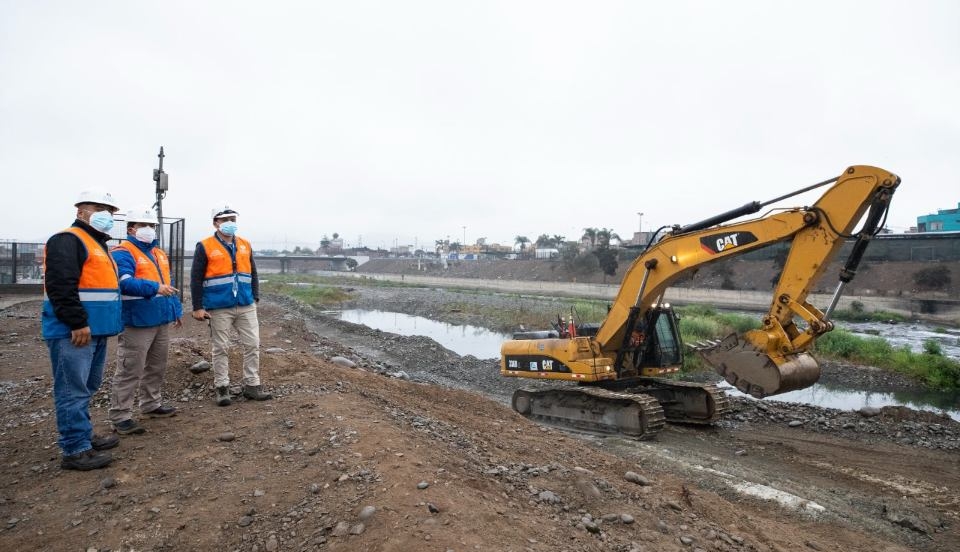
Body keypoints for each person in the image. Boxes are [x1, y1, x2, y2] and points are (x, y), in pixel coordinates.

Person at [42, 189, 124, 470]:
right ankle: (75, 449)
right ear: (80, 212)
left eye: (110, 210)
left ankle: (84, 436)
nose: (106, 215)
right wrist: (76, 321)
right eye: (99, 208)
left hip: (95, 330)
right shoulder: (68, 239)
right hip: (75, 331)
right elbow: (60, 284)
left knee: (86, 386)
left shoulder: (97, 243)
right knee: (72, 389)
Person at [108, 207, 183, 435]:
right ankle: (120, 415)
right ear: (131, 228)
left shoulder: (158, 253)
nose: (149, 229)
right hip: (137, 320)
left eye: (152, 225)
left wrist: (175, 310)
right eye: (144, 225)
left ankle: (151, 404)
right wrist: (155, 288)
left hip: (160, 318)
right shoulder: (123, 252)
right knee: (130, 368)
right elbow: (124, 282)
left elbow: (168, 283)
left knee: (157, 365)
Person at [190, 205, 272, 406]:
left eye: (233, 219)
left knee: (252, 344)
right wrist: (198, 306)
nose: (230, 223)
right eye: (225, 219)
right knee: (221, 347)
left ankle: (252, 386)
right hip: (218, 306)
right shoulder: (205, 246)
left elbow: (253, 272)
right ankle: (222, 388)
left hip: (245, 303)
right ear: (215, 223)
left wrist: (255, 296)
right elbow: (196, 278)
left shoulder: (245, 244)